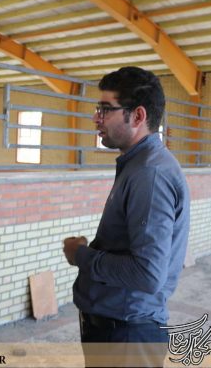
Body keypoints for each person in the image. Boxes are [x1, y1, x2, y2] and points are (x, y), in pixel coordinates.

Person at [62, 67, 190, 367]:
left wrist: (81, 255)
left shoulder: (150, 174)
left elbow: (147, 274)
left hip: (127, 335)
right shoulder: (138, 165)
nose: (97, 118)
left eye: (106, 109)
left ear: (138, 116)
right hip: (119, 327)